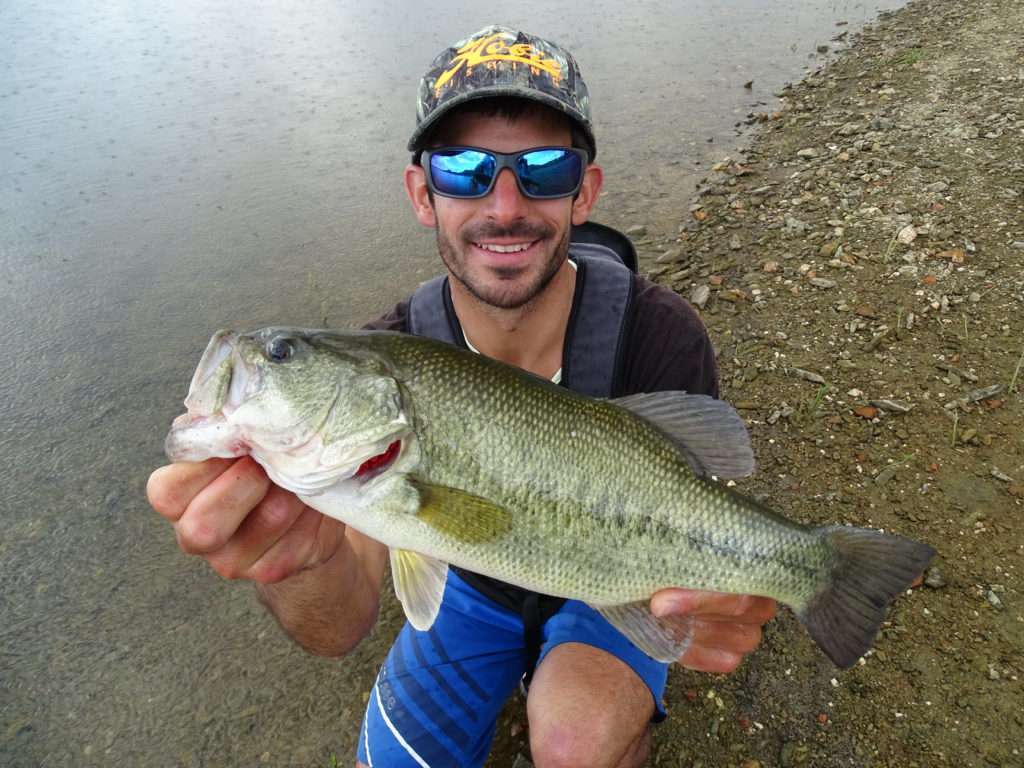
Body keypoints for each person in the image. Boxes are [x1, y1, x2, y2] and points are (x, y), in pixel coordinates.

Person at [147, 25, 776, 768]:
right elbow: (337, 628)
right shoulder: (388, 350)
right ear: (423, 194)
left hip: (610, 579)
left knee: (580, 747)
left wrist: (726, 590)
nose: (504, 205)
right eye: (464, 169)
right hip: (467, 591)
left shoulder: (660, 334)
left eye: (544, 168)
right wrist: (298, 560)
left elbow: (698, 507)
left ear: (584, 192)